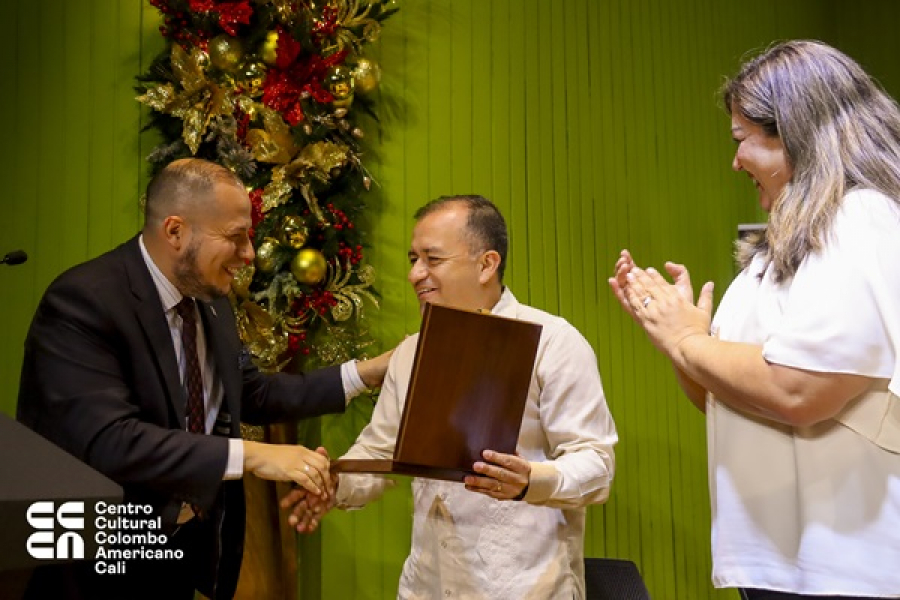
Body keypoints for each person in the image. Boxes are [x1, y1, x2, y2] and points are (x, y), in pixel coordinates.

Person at [16, 158, 391, 600]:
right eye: (235, 236)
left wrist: (366, 373)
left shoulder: (210, 301)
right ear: (175, 231)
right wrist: (253, 455)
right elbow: (109, 441)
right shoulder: (84, 301)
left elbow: (252, 393)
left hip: (180, 556)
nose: (249, 254)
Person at [610, 40, 900, 599]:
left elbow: (799, 388)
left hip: (849, 565)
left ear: (794, 132)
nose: (735, 161)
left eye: (741, 139)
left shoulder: (860, 217)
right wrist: (675, 336)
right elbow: (725, 398)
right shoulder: (773, 253)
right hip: (779, 564)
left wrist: (688, 338)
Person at [285, 195, 618, 599]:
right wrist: (336, 483)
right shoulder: (411, 351)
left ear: (487, 264)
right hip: (426, 585)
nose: (415, 274)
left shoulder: (554, 341)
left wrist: (531, 480)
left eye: (433, 259)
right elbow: (380, 450)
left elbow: (597, 465)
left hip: (525, 588)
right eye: (413, 259)